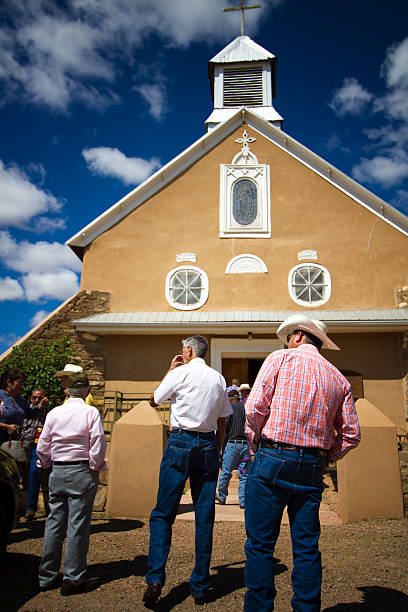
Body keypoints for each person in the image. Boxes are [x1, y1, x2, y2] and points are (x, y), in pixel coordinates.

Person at [244, 314, 361, 612]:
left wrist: (255, 445)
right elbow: (350, 435)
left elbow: (255, 408)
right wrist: (325, 458)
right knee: (307, 546)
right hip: (311, 464)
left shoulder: (279, 359)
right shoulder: (338, 377)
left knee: (260, 544)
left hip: (272, 455)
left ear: (297, 337)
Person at [143, 335, 232, 605]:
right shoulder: (219, 379)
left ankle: (156, 578)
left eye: (183, 349)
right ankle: (201, 585)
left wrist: (170, 370)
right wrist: (216, 451)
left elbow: (154, 399)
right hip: (207, 443)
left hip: (181, 440)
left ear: (189, 350)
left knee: (163, 513)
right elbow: (222, 420)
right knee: (204, 515)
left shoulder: (180, 372)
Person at [37, 372, 106, 596]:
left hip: (57, 469)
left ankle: (46, 575)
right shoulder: (90, 412)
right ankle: (73, 577)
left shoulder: (55, 413)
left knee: (54, 522)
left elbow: (43, 444)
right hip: (81, 469)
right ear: (86, 391)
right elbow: (97, 442)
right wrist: (96, 465)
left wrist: (46, 463)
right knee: (77, 524)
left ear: (68, 391)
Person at [216, 390, 250, 509]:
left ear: (230, 399)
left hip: (232, 444)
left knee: (226, 471)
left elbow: (225, 426)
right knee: (243, 474)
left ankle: (221, 496)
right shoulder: (246, 408)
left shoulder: (229, 410)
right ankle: (243, 500)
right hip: (245, 445)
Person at [20, 388, 50, 519]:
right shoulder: (26, 411)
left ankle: (30, 508)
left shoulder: (48, 413)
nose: (37, 400)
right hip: (21, 445)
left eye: (39, 398)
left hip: (37, 447)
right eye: (34, 398)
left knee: (34, 473)